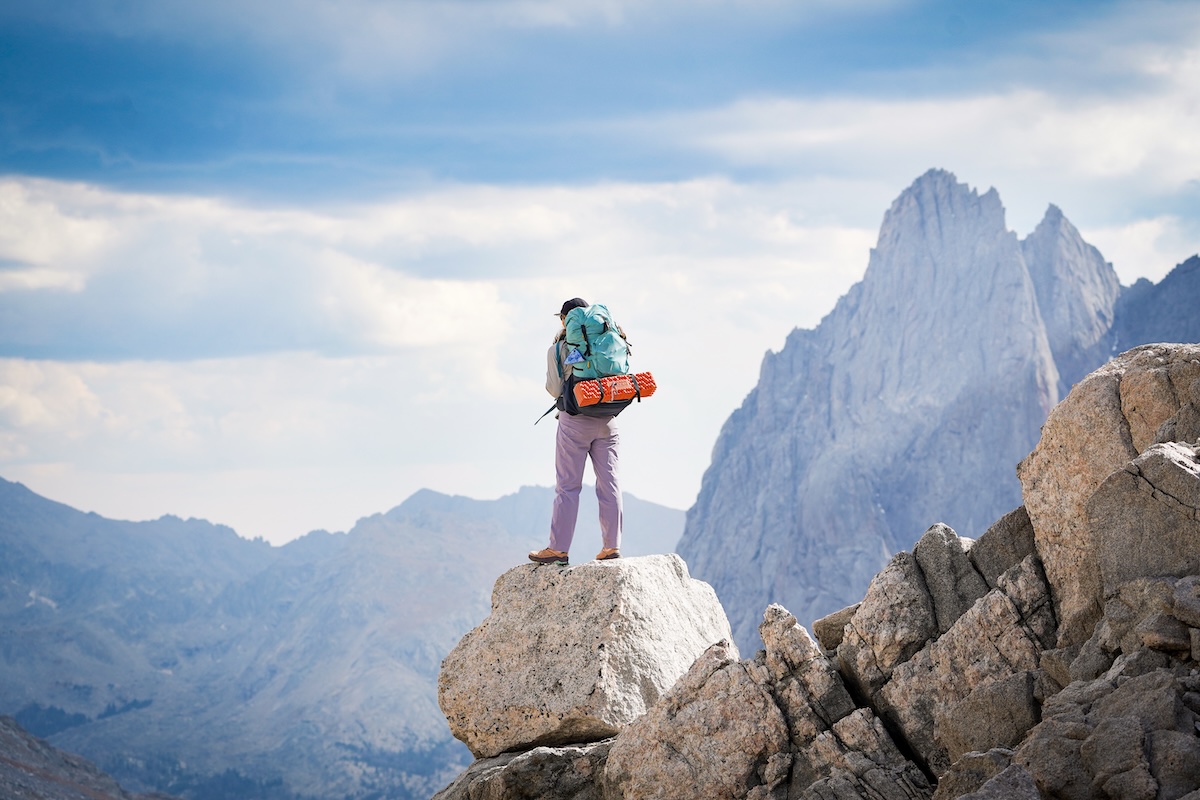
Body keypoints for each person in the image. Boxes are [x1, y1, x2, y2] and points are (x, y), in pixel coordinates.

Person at [528, 297, 623, 566]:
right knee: (610, 483)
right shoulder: (608, 337)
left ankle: (558, 549)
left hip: (575, 421)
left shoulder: (558, 348)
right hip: (608, 419)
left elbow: (555, 390)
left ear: (565, 320)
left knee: (568, 488)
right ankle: (611, 547)